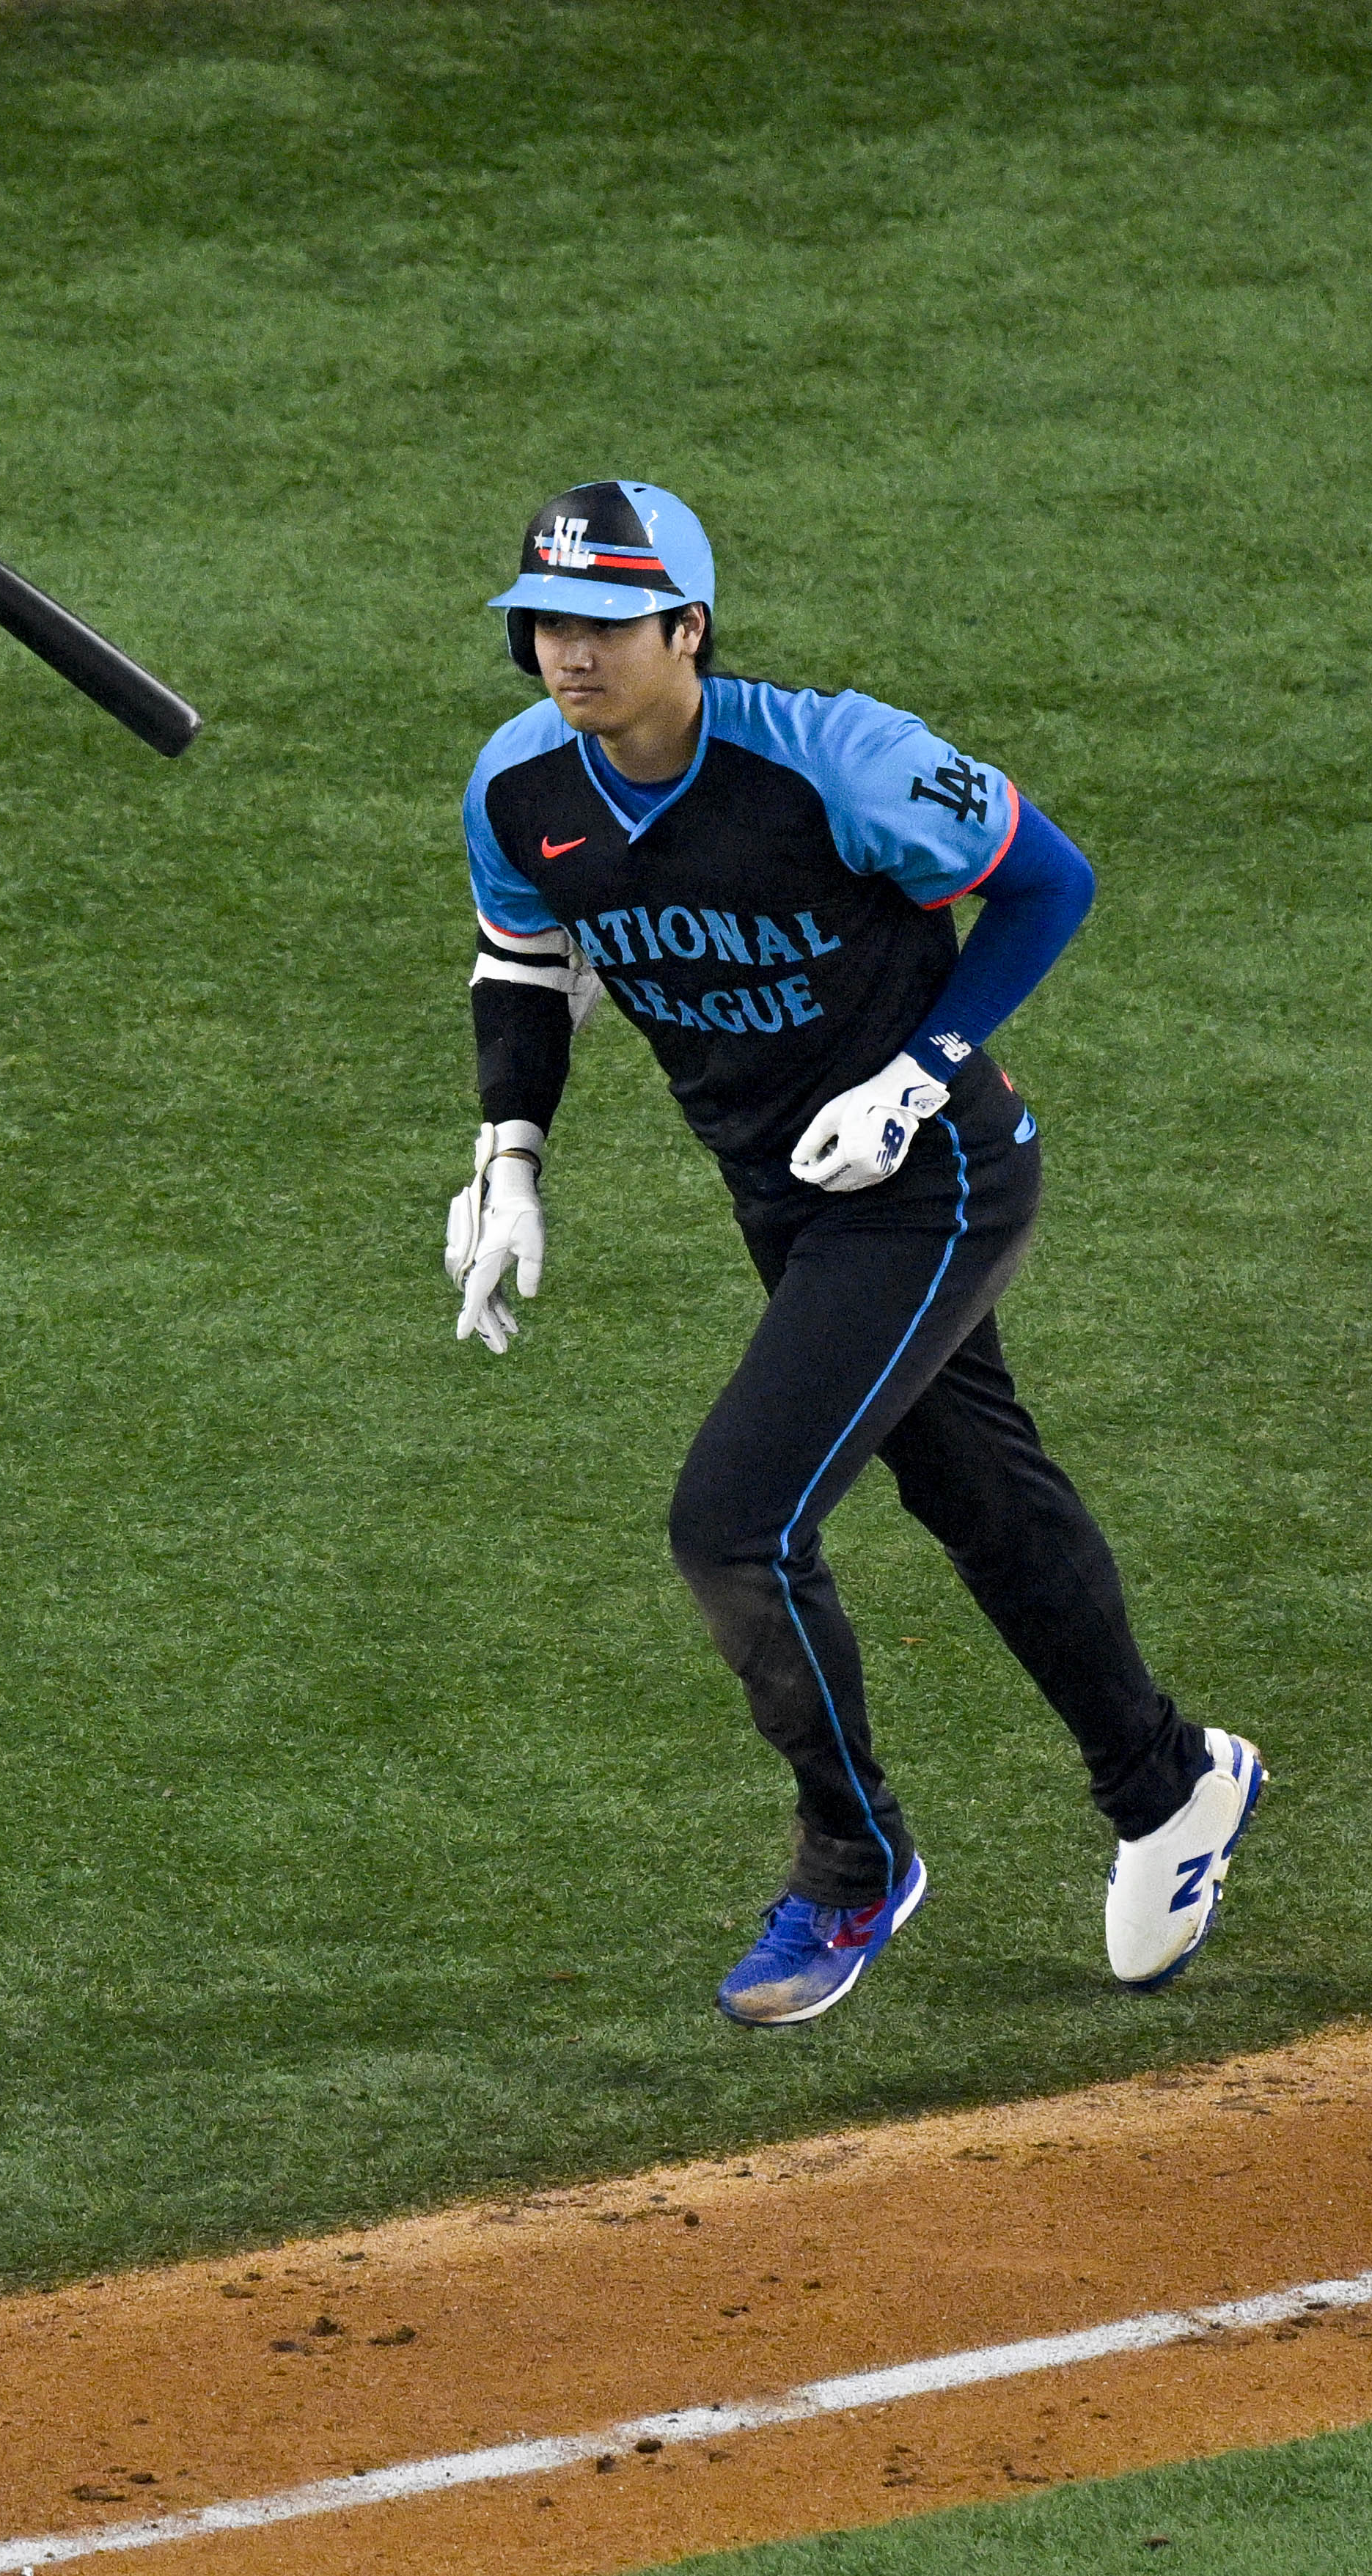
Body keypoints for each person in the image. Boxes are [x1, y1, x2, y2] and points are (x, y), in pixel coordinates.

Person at [441, 479, 1266, 2027]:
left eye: (610, 623)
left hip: (930, 1177)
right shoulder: (519, 788)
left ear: (690, 627)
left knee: (734, 1524)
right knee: (975, 1489)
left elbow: (1049, 881)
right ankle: (1170, 1784)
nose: (571, 652)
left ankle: (853, 1859)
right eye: (548, 621)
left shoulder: (840, 761)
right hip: (780, 1193)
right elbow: (524, 955)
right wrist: (510, 1157)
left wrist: (917, 1069)